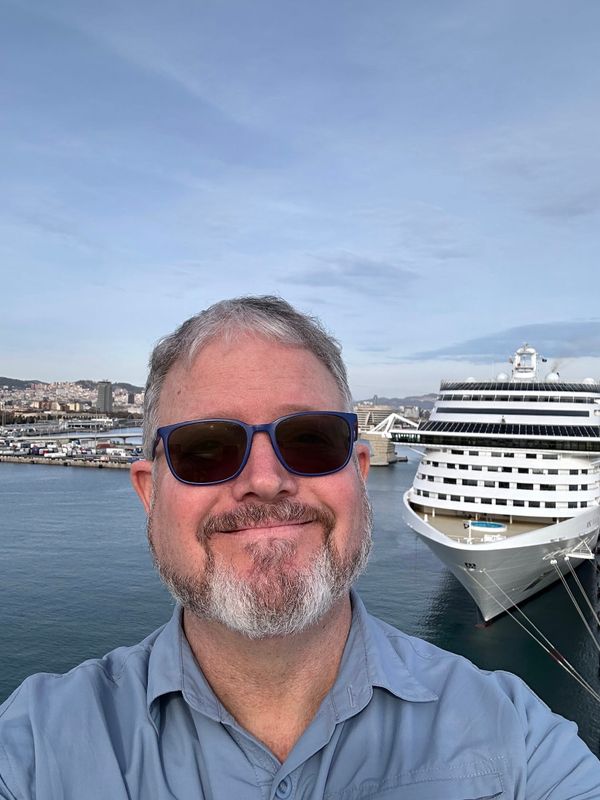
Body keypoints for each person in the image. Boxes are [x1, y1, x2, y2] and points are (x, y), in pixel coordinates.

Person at [1, 296, 599, 800]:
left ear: (360, 475)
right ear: (148, 492)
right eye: (205, 448)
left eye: (311, 439)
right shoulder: (35, 747)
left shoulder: (518, 742)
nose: (265, 480)